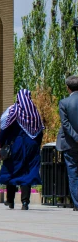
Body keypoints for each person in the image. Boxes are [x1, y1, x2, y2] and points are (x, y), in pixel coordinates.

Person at [0, 89, 44, 211]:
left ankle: (10, 200)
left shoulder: (14, 111)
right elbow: (40, 132)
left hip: (16, 147)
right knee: (27, 173)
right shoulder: (34, 113)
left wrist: (1, 144)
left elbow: (4, 129)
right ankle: (25, 202)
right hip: (32, 147)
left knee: (12, 171)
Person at [56, 75, 78, 211]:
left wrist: (76, 137)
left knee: (73, 174)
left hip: (70, 144)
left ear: (68, 88)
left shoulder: (64, 103)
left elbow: (65, 124)